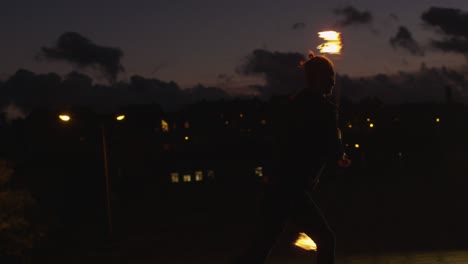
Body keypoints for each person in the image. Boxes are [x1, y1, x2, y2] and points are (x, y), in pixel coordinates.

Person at [233, 52, 350, 264]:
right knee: (326, 239)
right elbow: (333, 150)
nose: (333, 81)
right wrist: (340, 147)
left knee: (258, 252)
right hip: (292, 190)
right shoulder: (325, 109)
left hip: (276, 188)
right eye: (330, 76)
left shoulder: (295, 104)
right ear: (318, 78)